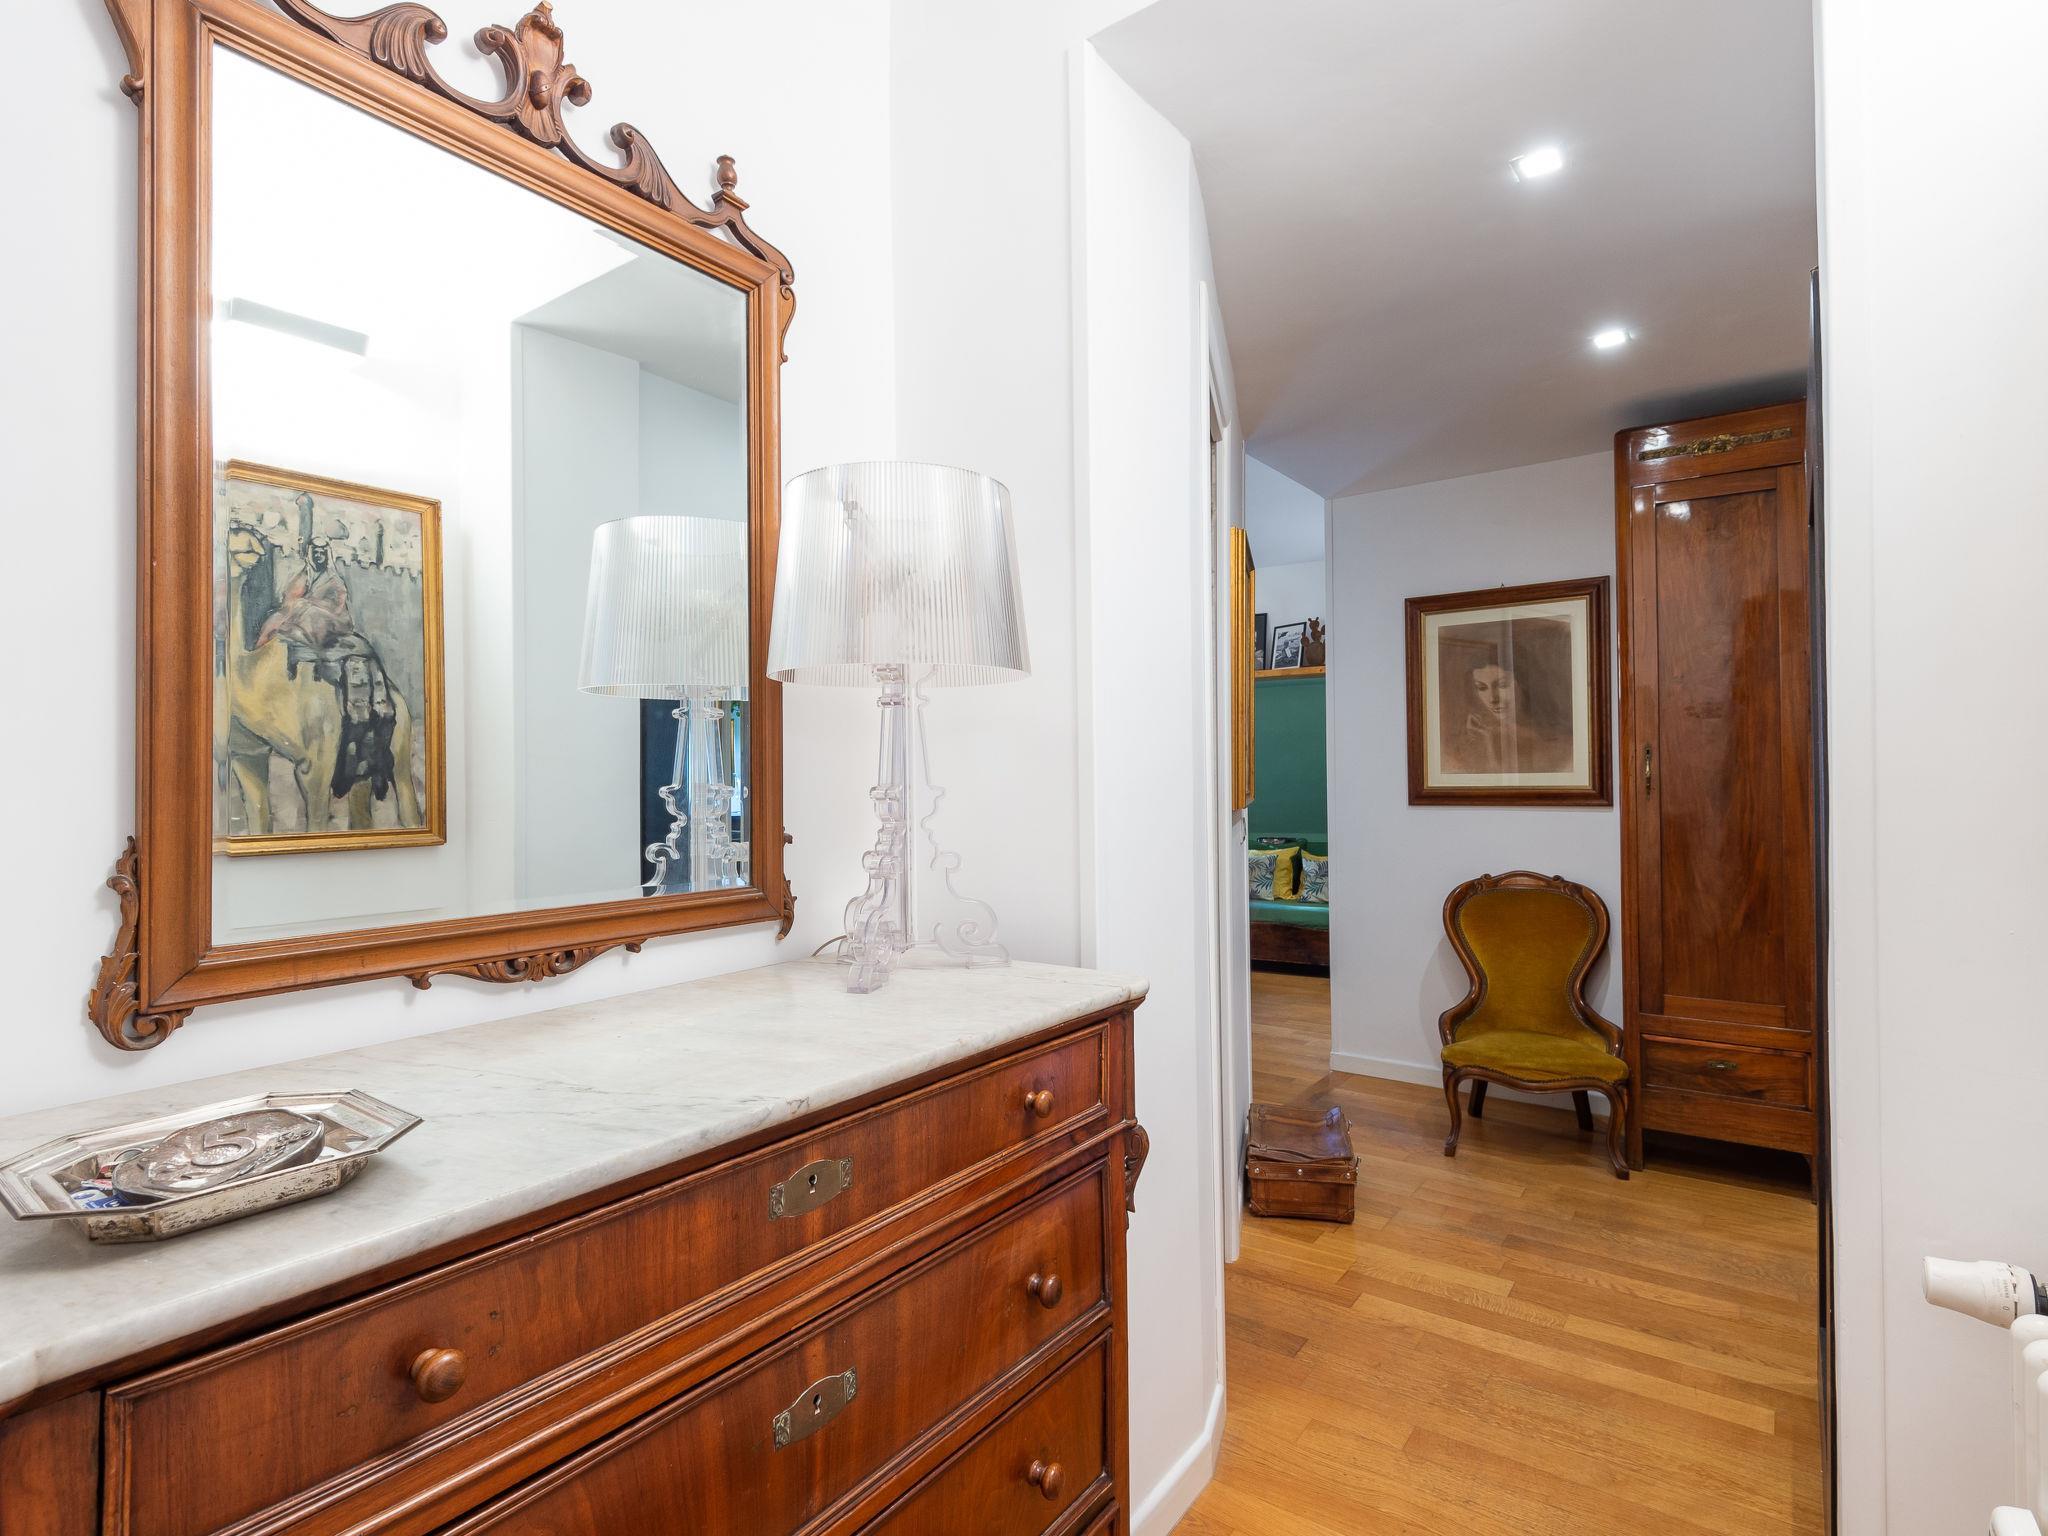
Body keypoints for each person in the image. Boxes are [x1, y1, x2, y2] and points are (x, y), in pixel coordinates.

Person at [1444, 659, 1570, 774]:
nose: (1492, 699)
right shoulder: (1475, 735)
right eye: (1481, 688)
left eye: (1502, 685)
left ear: (1524, 684)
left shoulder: (1562, 742)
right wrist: (1488, 740)